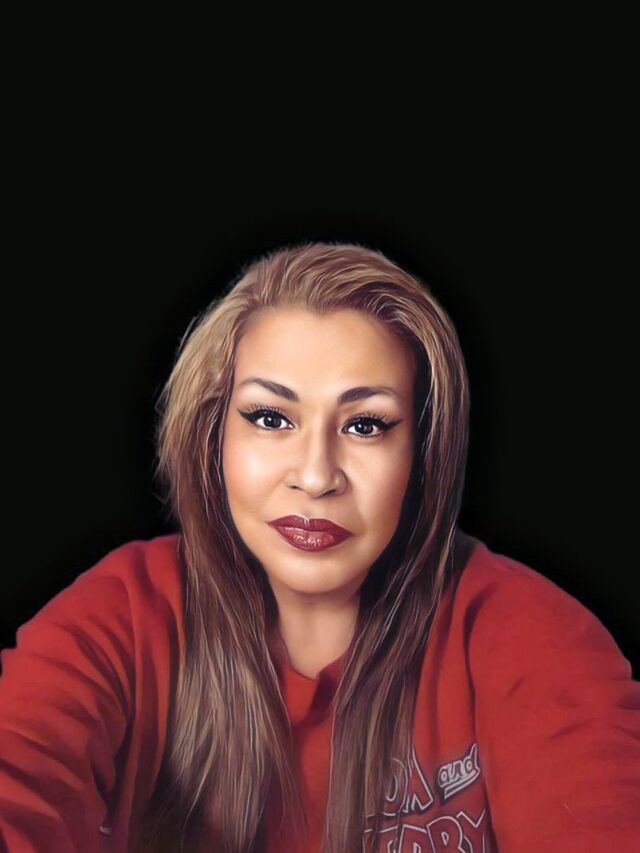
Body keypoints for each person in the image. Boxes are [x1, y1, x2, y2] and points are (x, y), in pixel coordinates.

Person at [0, 241, 638, 853]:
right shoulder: (123, 616)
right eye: (270, 418)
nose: (315, 475)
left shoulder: (529, 634)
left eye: (365, 425)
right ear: (212, 432)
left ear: (422, 453)